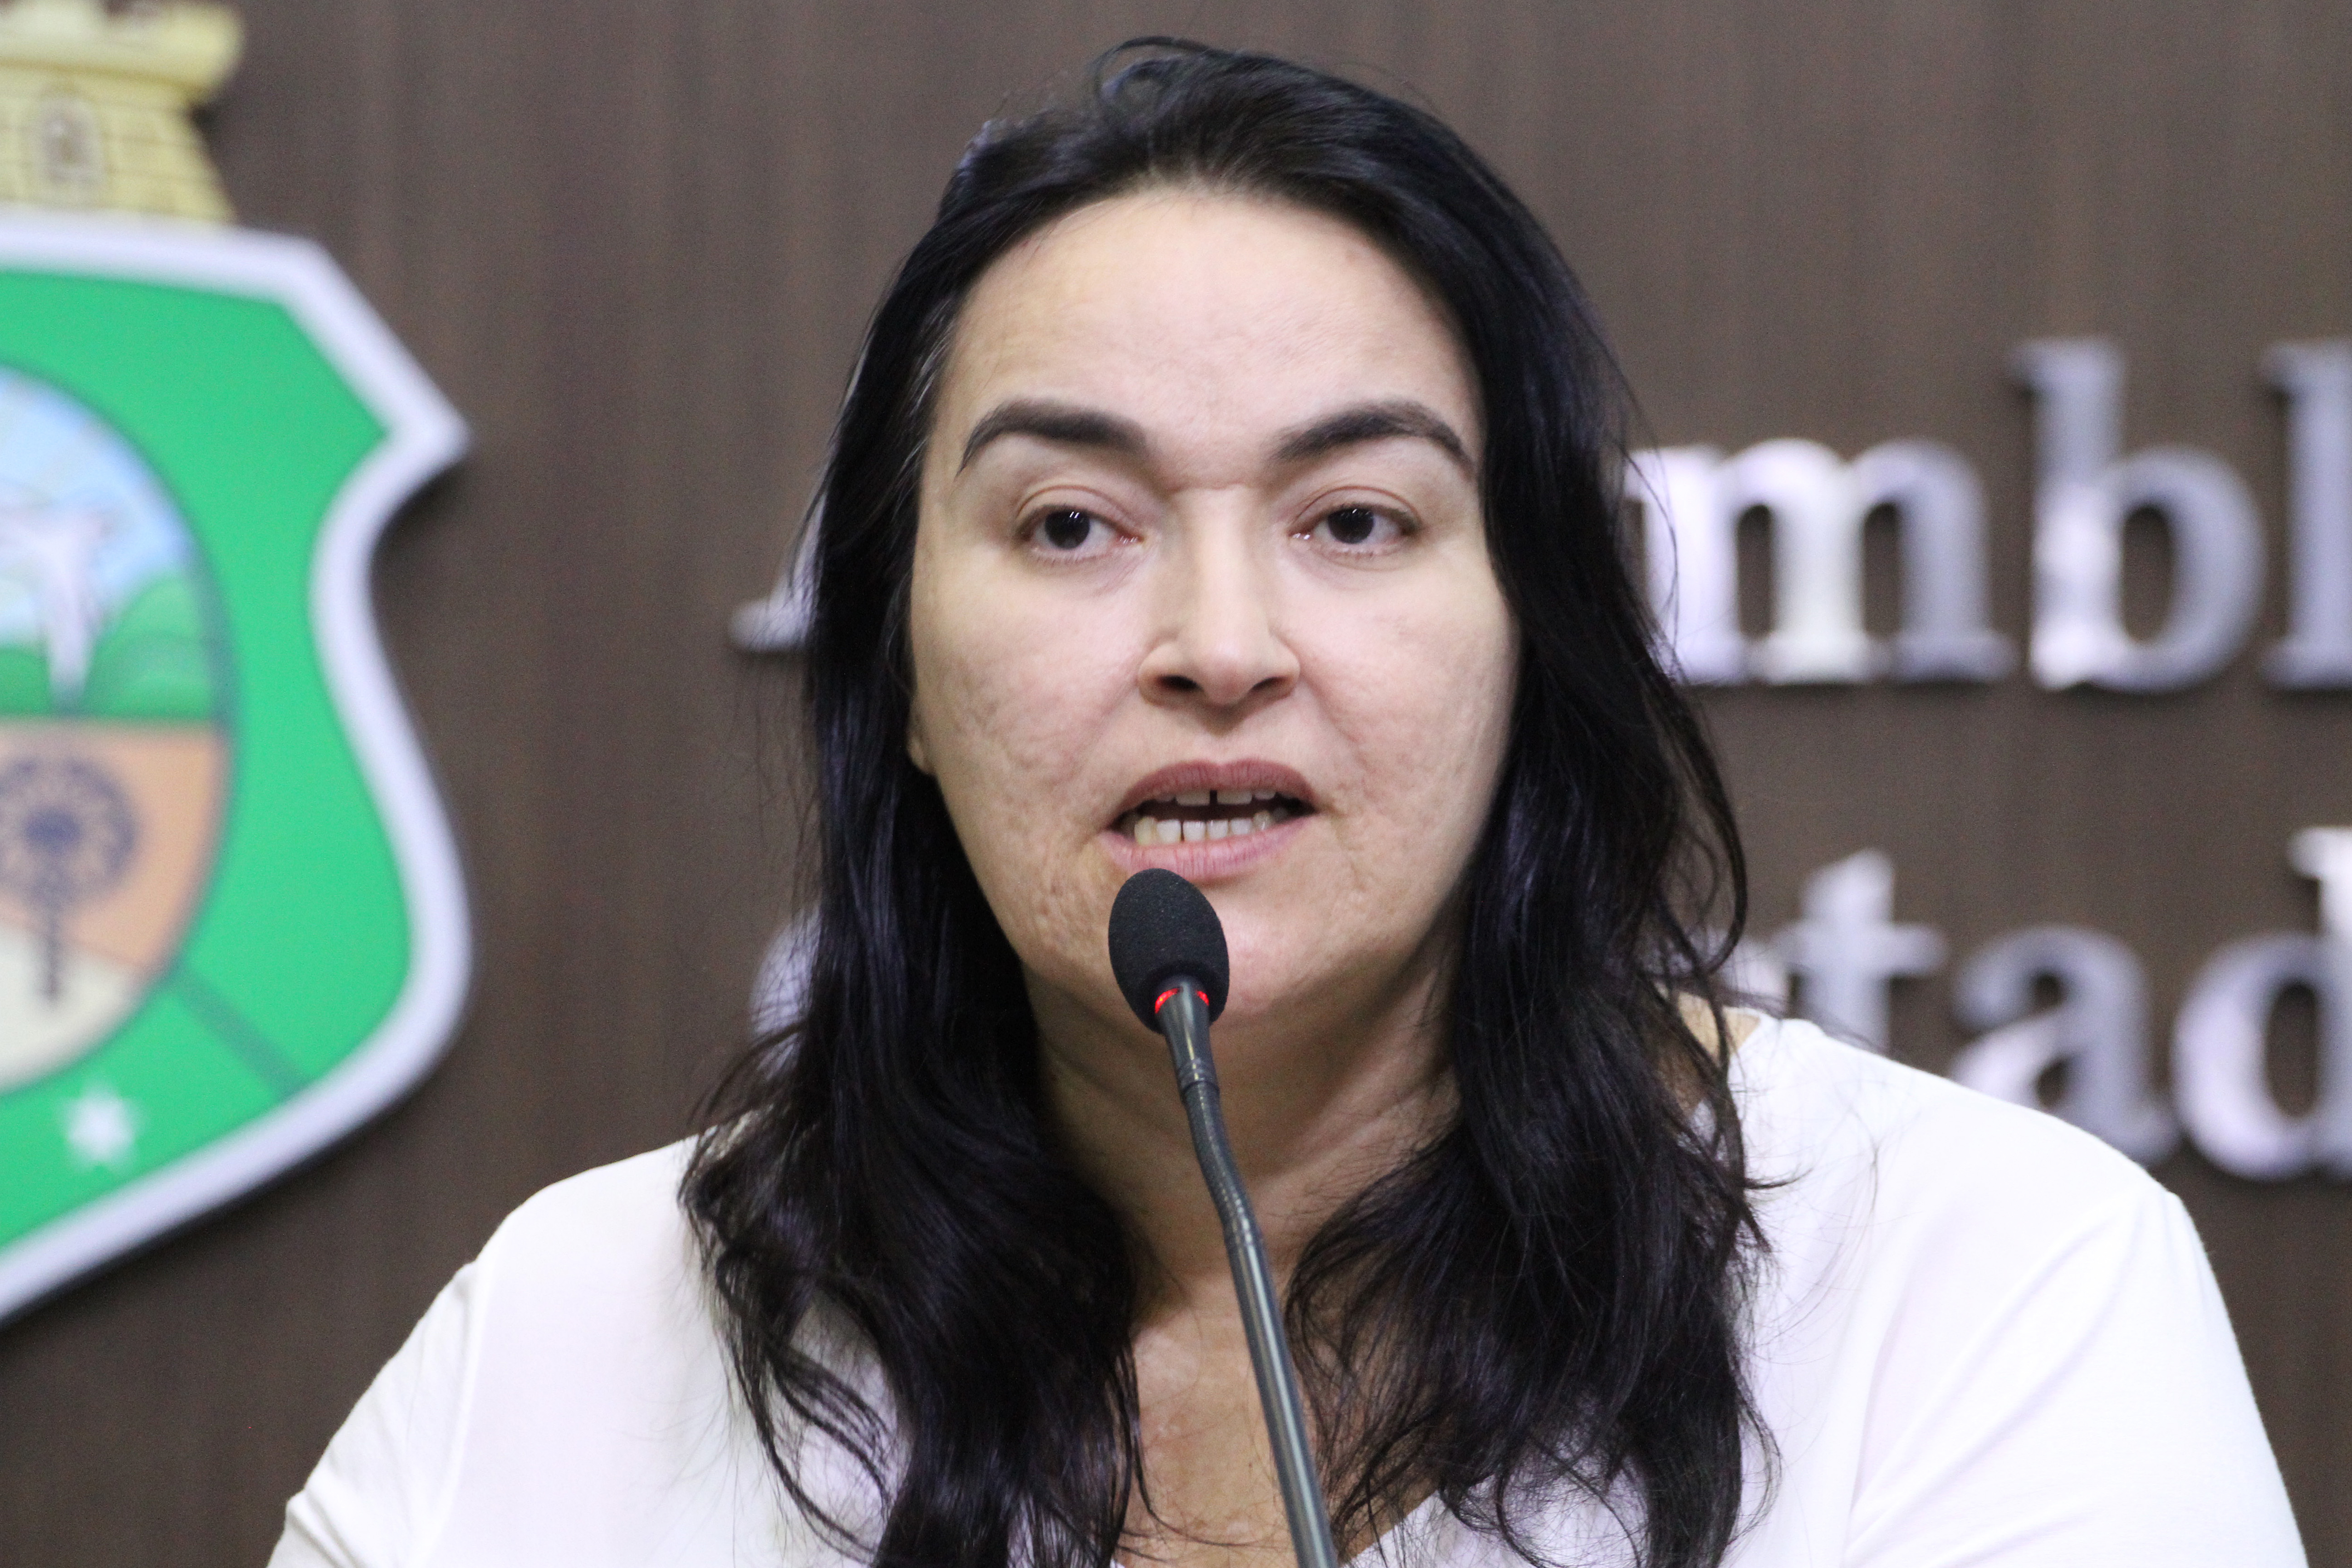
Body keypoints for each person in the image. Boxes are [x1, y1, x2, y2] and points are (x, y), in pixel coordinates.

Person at [270, 40, 2303, 1568]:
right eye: (1072, 524)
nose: (1220, 644)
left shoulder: (1989, 1289)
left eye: (1355, 520)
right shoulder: (571, 1338)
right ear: (900, 675)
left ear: (1533, 633)